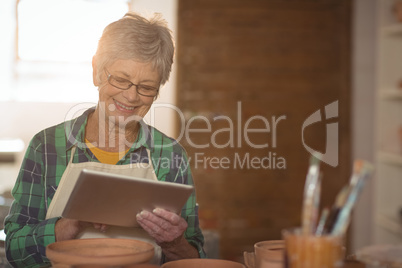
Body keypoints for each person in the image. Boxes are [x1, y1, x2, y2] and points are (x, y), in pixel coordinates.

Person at [4, 12, 205, 267]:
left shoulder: (171, 156)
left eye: (146, 87)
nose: (131, 97)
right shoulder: (46, 147)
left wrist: (174, 243)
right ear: (96, 71)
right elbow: (14, 250)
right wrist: (68, 226)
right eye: (121, 80)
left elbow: (195, 260)